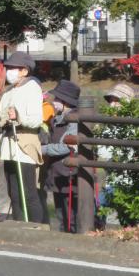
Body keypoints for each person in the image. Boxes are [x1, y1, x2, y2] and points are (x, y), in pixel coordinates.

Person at [0, 51, 46, 223]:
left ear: (24, 71)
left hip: (24, 145)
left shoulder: (32, 88)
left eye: (12, 68)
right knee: (14, 193)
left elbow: (36, 120)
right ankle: (18, 225)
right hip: (8, 146)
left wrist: (18, 117)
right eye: (7, 67)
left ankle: (36, 229)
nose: (9, 71)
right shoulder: (9, 92)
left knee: (28, 192)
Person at [42, 80, 97, 233]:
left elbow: (66, 146)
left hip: (68, 173)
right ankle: (63, 238)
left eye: (57, 99)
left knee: (70, 213)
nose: (54, 102)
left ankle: (71, 238)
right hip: (58, 172)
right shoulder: (59, 117)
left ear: (65, 102)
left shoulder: (73, 118)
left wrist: (42, 149)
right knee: (61, 214)